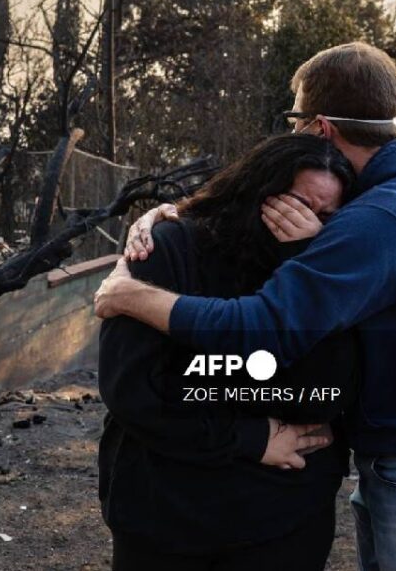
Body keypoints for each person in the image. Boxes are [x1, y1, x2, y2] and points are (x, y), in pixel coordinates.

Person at [94, 42, 396, 571]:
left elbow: (263, 330)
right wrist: (176, 213)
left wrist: (135, 296)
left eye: (295, 122)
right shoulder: (394, 200)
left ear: (320, 127)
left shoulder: (386, 216)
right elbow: (245, 200)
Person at [99, 134, 359, 571]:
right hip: (167, 518)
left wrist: (307, 263)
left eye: (325, 216)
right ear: (258, 190)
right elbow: (135, 389)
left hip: (283, 521)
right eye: (294, 205)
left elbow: (329, 387)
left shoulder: (329, 271)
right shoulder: (168, 248)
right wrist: (250, 437)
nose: (305, 222)